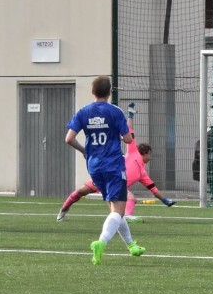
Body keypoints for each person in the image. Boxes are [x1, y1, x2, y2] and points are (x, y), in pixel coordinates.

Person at [65, 76, 144, 265]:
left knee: (115, 209)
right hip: (113, 166)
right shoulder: (115, 111)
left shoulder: (83, 112)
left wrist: (84, 151)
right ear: (109, 92)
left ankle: (131, 245)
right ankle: (101, 242)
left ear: (92, 91)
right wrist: (119, 131)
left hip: (94, 166)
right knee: (118, 210)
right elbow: (128, 139)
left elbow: (69, 138)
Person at [57, 102, 174, 222]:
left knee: (127, 199)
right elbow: (129, 130)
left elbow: (154, 189)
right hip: (108, 173)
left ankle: (125, 217)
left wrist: (165, 200)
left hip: (114, 182)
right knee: (81, 192)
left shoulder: (143, 174)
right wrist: (130, 116)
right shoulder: (133, 152)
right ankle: (64, 209)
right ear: (145, 152)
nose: (150, 157)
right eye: (150, 154)